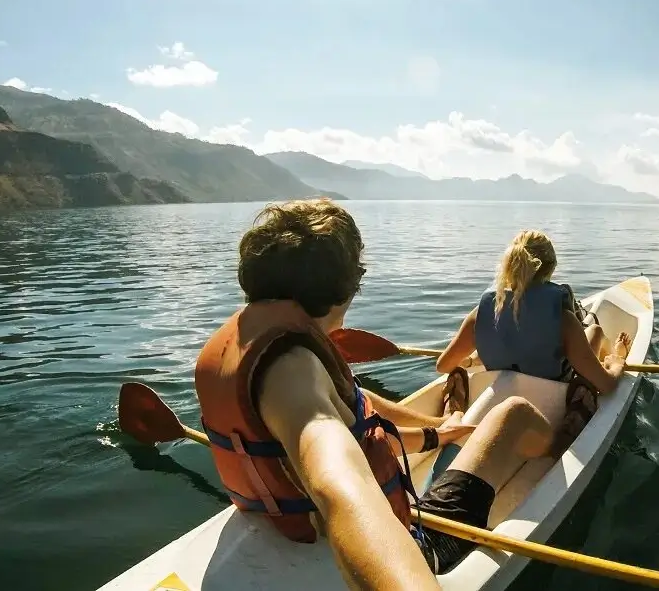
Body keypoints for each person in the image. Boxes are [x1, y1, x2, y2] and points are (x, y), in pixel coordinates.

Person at [192, 198, 556, 591]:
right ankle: (567, 447)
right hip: (410, 547)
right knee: (515, 413)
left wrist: (438, 430)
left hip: (282, 531)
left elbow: (356, 404)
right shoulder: (293, 370)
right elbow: (339, 484)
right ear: (343, 288)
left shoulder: (245, 341)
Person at [434, 229, 631, 456]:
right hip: (551, 402)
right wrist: (617, 364)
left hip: (498, 394)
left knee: (460, 370)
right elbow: (607, 386)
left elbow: (443, 366)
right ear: (549, 269)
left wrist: (471, 360)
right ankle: (611, 354)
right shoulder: (563, 319)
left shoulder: (481, 313)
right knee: (594, 331)